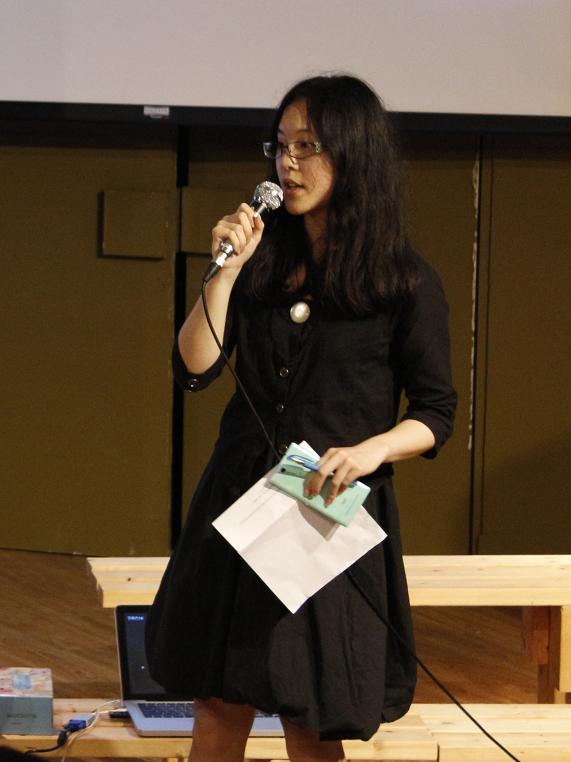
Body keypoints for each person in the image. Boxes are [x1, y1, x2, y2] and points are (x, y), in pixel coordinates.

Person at [145, 74, 457, 762]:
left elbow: (436, 413)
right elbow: (194, 367)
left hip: (323, 508)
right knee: (217, 703)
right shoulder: (258, 263)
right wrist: (223, 273)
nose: (287, 163)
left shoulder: (403, 281)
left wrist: (371, 450)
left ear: (353, 155)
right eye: (280, 145)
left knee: (308, 718)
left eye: (307, 146)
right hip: (241, 496)